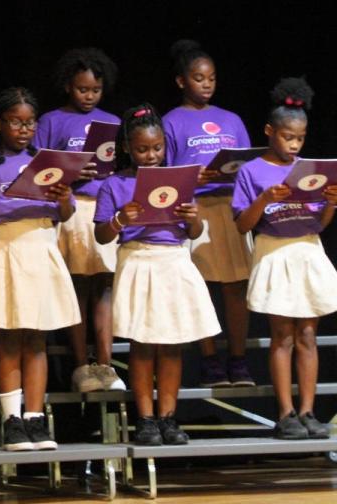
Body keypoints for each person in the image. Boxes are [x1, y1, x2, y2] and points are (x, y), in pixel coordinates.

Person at [94, 104, 220, 446]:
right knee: (143, 344)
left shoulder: (179, 179)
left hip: (173, 260)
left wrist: (193, 217)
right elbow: (102, 235)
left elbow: (193, 231)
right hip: (138, 261)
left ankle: (168, 417)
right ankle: (145, 419)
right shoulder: (115, 184)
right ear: (127, 148)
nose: (151, 155)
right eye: (142, 149)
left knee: (172, 344)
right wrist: (121, 219)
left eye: (157, 148)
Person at [0, 87, 80, 451]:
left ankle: (35, 417)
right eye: (16, 122)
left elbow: (66, 212)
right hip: (2, 247)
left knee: (37, 338)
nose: (24, 129)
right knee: (9, 338)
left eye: (30, 123)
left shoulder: (46, 163)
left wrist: (63, 199)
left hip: (39, 245)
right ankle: (12, 419)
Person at [231, 77, 336, 440]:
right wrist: (264, 199)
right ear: (269, 131)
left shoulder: (310, 170)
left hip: (307, 249)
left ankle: (308, 411)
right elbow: (242, 223)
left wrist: (332, 204)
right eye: (287, 137)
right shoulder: (251, 171)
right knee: (282, 336)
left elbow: (318, 223)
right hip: (274, 250)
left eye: (300, 138)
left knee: (307, 334)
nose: (294, 144)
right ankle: (286, 412)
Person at [163, 40, 254, 388]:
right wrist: (192, 179)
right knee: (200, 288)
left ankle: (238, 358)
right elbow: (164, 174)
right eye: (199, 78)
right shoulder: (171, 121)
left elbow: (248, 162)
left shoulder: (231, 119)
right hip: (195, 209)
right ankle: (209, 359)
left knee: (235, 287)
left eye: (212, 78)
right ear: (182, 81)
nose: (207, 84)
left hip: (229, 208)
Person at [36, 48, 125, 392]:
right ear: (68, 86)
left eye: (95, 91)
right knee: (77, 288)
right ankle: (80, 366)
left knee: (104, 286)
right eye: (82, 89)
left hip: (104, 207)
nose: (88, 96)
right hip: (71, 208)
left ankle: (105, 365)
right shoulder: (52, 121)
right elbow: (40, 170)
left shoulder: (114, 122)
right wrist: (71, 173)